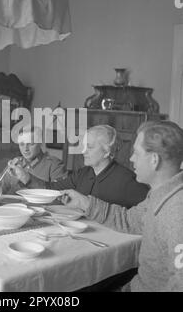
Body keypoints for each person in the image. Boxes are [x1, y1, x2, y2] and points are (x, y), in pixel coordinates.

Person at [61, 121, 183, 291]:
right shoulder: (160, 194)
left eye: (136, 153)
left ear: (154, 160)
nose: (131, 158)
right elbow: (128, 220)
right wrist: (85, 203)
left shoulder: (177, 212)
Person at [8, 125, 149, 207]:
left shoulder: (128, 180)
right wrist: (26, 177)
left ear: (106, 152)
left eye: (90, 147)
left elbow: (145, 215)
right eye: (83, 146)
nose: (83, 151)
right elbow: (51, 189)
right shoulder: (83, 173)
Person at [0, 126, 67, 194]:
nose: (25, 149)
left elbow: (60, 195)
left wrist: (27, 178)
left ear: (40, 143)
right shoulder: (15, 162)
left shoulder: (55, 165)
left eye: (31, 144)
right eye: (22, 144)